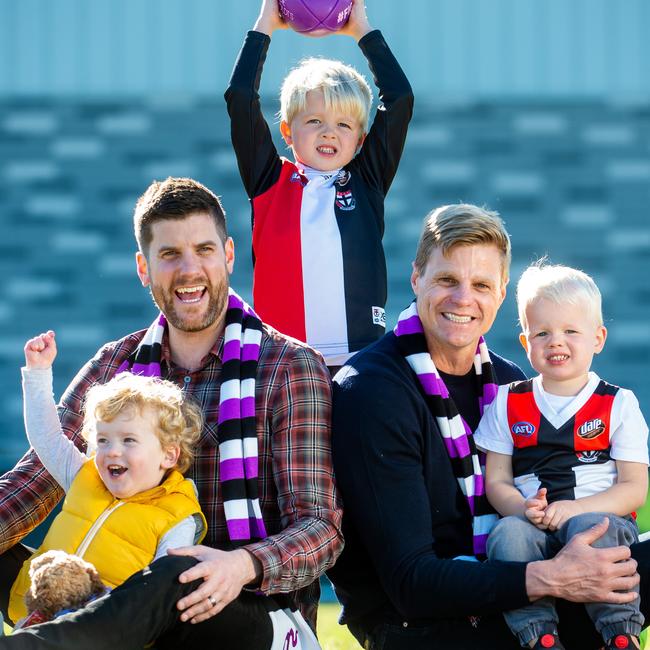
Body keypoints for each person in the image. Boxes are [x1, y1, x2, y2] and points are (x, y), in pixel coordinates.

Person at [0, 176, 342, 649]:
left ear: (229, 255)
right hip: (120, 593)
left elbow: (320, 526)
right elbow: (33, 483)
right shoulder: (113, 365)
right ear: (143, 267)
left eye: (203, 250)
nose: (189, 270)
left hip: (245, 609)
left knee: (181, 568)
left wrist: (241, 564)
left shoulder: (288, 367)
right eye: (168, 255)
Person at [327, 203, 648, 650]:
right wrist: (552, 576)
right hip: (418, 625)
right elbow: (409, 583)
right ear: (416, 277)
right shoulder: (371, 392)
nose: (463, 299)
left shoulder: (509, 384)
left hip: (522, 591)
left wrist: (580, 553)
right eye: (446, 280)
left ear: (500, 294)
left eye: (480, 285)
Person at [225, 0, 413, 369]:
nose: (329, 133)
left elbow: (400, 98)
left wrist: (362, 30)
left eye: (344, 125)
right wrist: (266, 24)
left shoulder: (366, 180)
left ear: (360, 140)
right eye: (314, 121)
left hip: (362, 361)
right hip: (285, 364)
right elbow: (241, 98)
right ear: (287, 132)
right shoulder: (269, 180)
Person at [474, 263, 648, 650]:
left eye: (571, 331)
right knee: (507, 534)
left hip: (596, 519)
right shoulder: (507, 401)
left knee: (595, 525)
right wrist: (521, 508)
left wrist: (572, 509)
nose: (556, 341)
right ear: (525, 342)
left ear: (598, 338)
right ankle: (539, 637)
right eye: (543, 333)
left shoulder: (618, 403)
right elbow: (497, 480)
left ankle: (620, 633)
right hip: (534, 527)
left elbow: (634, 489)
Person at [9, 332, 206, 627]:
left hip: (99, 628)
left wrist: (103, 606)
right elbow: (46, 437)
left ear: (168, 455)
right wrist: (38, 372)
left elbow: (162, 587)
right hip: (33, 608)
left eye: (128, 440)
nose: (112, 451)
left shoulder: (178, 516)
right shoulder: (85, 475)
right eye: (102, 440)